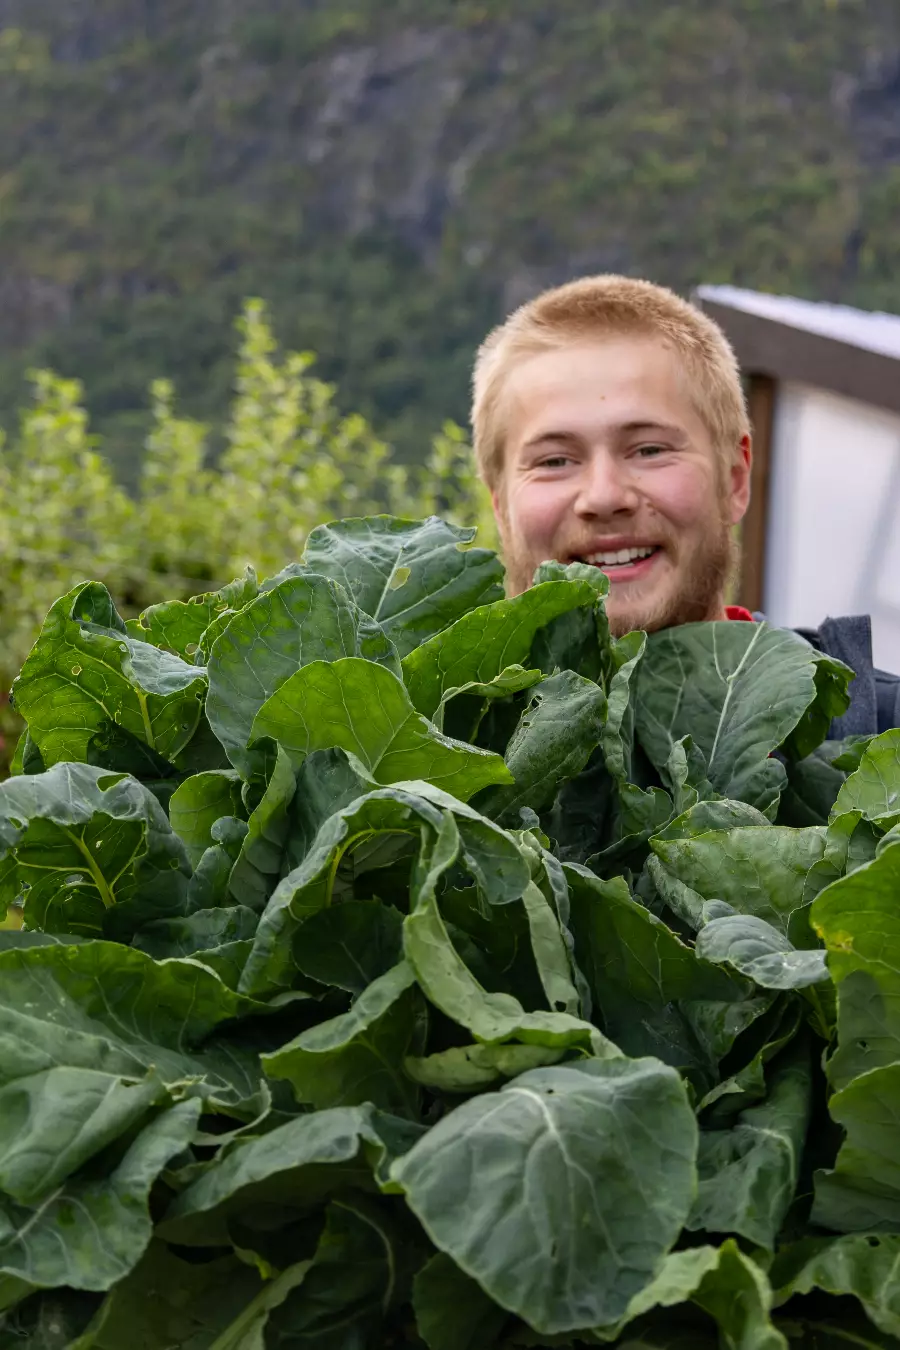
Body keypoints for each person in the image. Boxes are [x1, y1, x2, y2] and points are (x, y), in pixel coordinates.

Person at [471, 274, 900, 737]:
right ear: (500, 507)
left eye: (649, 450)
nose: (604, 496)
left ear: (734, 479)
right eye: (555, 461)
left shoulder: (881, 736)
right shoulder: (440, 746)